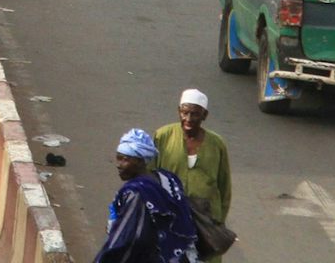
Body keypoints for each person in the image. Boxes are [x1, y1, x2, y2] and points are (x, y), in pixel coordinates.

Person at [94, 128, 197, 263]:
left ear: (141, 161)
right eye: (118, 158)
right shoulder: (168, 178)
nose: (118, 165)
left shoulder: (137, 192)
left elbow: (127, 238)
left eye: (125, 159)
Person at [153, 91, 232, 262]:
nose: (188, 118)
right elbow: (150, 176)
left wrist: (218, 220)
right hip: (171, 214)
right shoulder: (162, 136)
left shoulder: (217, 144)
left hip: (206, 218)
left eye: (195, 113)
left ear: (204, 115)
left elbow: (224, 187)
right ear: (178, 112)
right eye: (184, 112)